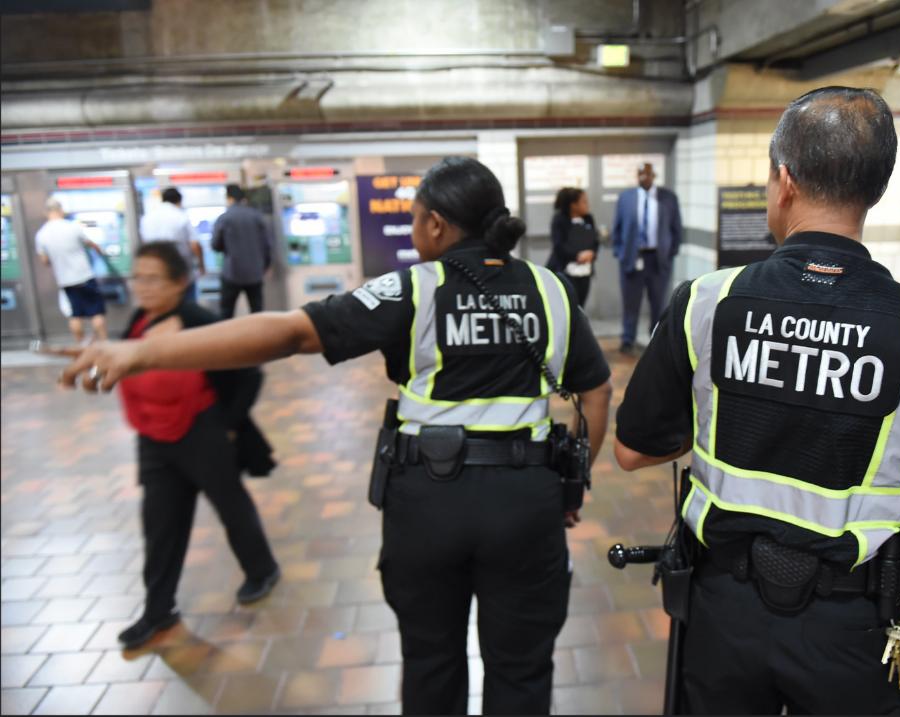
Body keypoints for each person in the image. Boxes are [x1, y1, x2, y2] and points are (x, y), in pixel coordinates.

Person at [60, 156, 613, 715]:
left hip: (428, 504)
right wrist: (571, 486)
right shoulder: (552, 289)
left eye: (416, 219)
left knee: (430, 662)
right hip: (526, 504)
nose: (415, 230)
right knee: (521, 671)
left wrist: (142, 351)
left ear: (438, 225)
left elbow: (289, 334)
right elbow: (596, 393)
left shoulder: (412, 289)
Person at [613, 87, 900, 714]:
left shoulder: (704, 302)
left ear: (783, 181)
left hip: (723, 616)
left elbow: (631, 451)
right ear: (876, 189)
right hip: (860, 631)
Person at [71, 242, 279, 650]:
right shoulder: (138, 321)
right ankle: (158, 610)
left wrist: (227, 423)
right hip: (153, 440)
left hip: (202, 434)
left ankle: (263, 569)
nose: (142, 287)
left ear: (180, 282)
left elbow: (250, 372)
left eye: (153, 278)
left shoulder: (198, 320)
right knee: (160, 524)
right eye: (137, 277)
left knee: (231, 506)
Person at [610, 161, 682, 354]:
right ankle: (627, 339)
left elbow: (677, 229)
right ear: (637, 176)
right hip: (632, 259)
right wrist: (619, 252)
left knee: (658, 303)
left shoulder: (668, 198)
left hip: (657, 260)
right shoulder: (626, 198)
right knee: (630, 302)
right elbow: (617, 228)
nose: (644, 177)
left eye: (648, 174)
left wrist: (670, 253)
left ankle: (656, 340)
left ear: (654, 175)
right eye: (641, 174)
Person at [35, 198, 108, 343]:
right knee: (97, 313)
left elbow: (44, 261)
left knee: (75, 315)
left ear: (46, 212)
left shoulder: (41, 234)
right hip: (85, 276)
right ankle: (105, 344)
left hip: (66, 281)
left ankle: (81, 347)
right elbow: (92, 244)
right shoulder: (72, 227)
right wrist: (101, 253)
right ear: (60, 210)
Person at [211, 184, 273, 318]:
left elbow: (215, 245)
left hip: (232, 272)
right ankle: (259, 337)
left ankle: (227, 338)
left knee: (226, 312)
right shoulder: (257, 216)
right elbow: (267, 245)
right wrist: (266, 265)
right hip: (255, 272)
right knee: (257, 311)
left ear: (229, 198)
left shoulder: (224, 218)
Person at [139, 186, 205, 302]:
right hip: (180, 272)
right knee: (187, 307)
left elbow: (145, 245)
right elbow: (194, 245)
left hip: (156, 273)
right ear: (179, 201)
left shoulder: (147, 217)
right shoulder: (181, 216)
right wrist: (201, 266)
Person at [546, 187, 599, 308]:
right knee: (567, 307)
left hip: (584, 272)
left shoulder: (588, 219)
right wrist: (576, 256)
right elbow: (558, 246)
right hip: (565, 271)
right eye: (584, 202)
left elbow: (594, 241)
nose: (587, 205)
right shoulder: (559, 220)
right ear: (573, 205)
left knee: (580, 307)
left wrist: (592, 254)